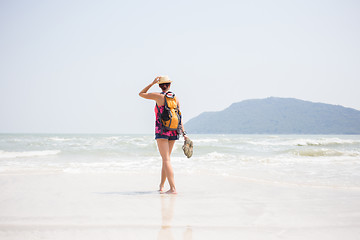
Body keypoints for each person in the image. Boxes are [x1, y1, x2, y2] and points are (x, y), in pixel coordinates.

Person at [139, 75, 188, 194]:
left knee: (166, 160)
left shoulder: (158, 96)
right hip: (174, 130)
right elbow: (179, 116)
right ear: (170, 85)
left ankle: (173, 188)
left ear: (160, 85)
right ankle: (161, 186)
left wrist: (151, 83)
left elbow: (141, 93)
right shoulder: (175, 98)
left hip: (162, 130)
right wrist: (184, 133)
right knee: (166, 160)